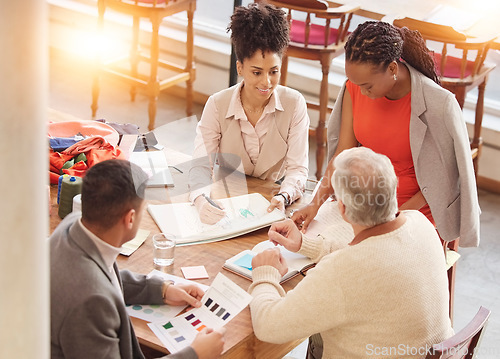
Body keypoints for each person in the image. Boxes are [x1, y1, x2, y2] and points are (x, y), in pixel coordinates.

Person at [249, 147, 453, 359]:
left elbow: (268, 326)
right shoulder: (422, 224)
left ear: (343, 209)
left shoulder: (339, 272)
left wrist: (265, 273)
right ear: (393, 190)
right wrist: (305, 244)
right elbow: (375, 252)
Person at [291, 21, 480, 247]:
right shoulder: (356, 88)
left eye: (367, 86)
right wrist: (315, 203)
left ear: (392, 68)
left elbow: (443, 184)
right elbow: (342, 156)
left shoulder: (439, 105)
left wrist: (390, 220)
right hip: (366, 211)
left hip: (416, 216)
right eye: (356, 83)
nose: (361, 91)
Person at [50, 159, 225, 359]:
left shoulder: (74, 225)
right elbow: (93, 289)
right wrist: (196, 354)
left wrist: (161, 290)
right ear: (130, 218)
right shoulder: (91, 302)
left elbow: (103, 275)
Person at [188, 2, 309, 224]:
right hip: (227, 200)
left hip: (271, 202)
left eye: (274, 72)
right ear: (240, 68)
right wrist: (201, 200)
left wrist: (285, 195)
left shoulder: (294, 104)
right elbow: (200, 165)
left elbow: (298, 169)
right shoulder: (217, 105)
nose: (266, 82)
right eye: (256, 72)